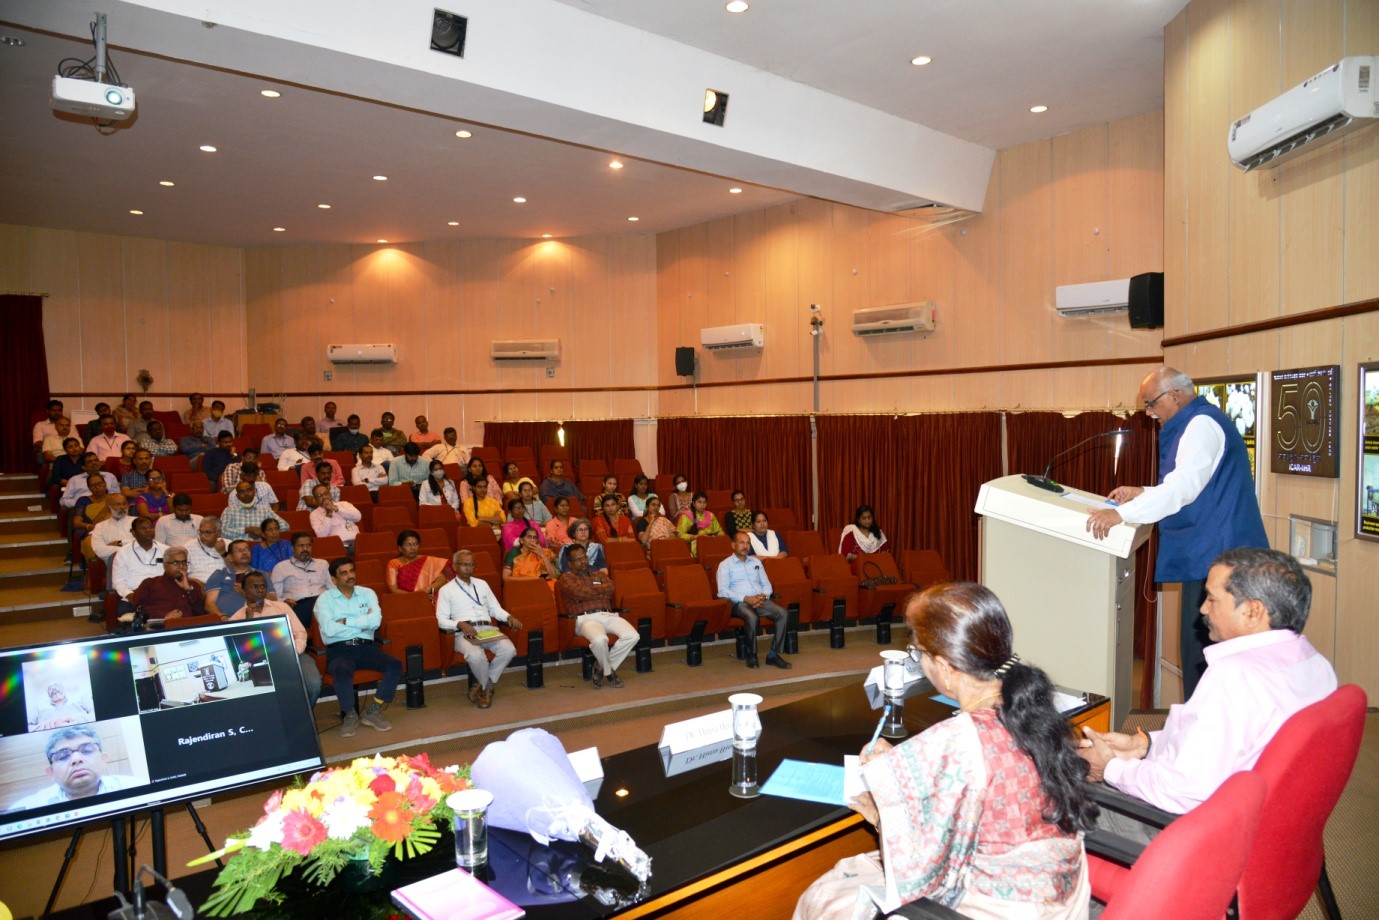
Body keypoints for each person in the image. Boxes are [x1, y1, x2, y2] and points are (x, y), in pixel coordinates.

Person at [795, 582, 1097, 919]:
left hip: (998, 908)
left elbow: (924, 867)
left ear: (946, 667)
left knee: (824, 897)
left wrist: (879, 811)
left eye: (919, 653)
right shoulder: (1032, 709)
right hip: (1061, 891)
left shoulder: (955, 742)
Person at [1078, 548, 1336, 835]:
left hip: (1196, 833)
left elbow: (1179, 792)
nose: (1202, 608)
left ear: (1253, 611)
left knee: (1059, 791)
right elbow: (1228, 742)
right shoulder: (1317, 665)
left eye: (1212, 599)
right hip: (1269, 821)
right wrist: (1145, 746)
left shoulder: (1234, 677)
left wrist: (1109, 767)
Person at [1086, 367, 1269, 699]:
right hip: (1213, 555)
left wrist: (1120, 515)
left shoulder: (1201, 425)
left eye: (1151, 403)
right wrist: (1142, 492)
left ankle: (1204, 740)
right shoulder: (1194, 420)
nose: (1149, 413)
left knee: (1204, 656)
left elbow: (1182, 489)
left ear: (1175, 395)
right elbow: (1189, 485)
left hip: (1222, 561)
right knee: (1200, 654)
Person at [317, 558, 401, 736]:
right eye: (344, 573)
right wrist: (363, 624)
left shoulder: (367, 593)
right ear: (334, 579)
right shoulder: (324, 600)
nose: (350, 576)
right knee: (340, 670)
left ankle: (373, 709)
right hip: (340, 650)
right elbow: (329, 629)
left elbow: (375, 622)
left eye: (351, 571)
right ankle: (350, 714)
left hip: (367, 648)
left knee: (395, 665)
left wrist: (346, 621)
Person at [435, 550, 524, 710]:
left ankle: (483, 683)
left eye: (471, 565)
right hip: (464, 632)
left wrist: (508, 617)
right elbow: (440, 620)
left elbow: (495, 609)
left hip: (488, 628)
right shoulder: (446, 590)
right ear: (455, 566)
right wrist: (460, 624)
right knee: (476, 655)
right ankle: (487, 689)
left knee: (509, 649)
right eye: (464, 565)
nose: (468, 568)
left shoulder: (482, 584)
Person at [231, 571, 322, 705]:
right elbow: (242, 650)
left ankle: (304, 718)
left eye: (263, 586)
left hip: (293, 654)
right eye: (255, 587)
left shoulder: (281, 607)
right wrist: (248, 620)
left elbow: (300, 633)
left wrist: (293, 654)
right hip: (260, 662)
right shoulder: (236, 618)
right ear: (244, 592)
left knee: (313, 683)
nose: (261, 590)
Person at [7, 727, 139, 810]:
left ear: (104, 760)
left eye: (86, 750)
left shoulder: (136, 788)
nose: (76, 759)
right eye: (63, 755)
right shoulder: (27, 808)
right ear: (51, 772)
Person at [717, 532, 792, 669]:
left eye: (747, 543)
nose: (745, 546)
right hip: (739, 603)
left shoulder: (756, 562)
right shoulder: (725, 565)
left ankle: (773, 655)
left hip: (759, 600)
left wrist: (764, 595)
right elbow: (722, 591)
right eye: (741, 542)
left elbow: (766, 584)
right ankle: (752, 654)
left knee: (783, 613)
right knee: (752, 617)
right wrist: (746, 598)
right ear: (733, 545)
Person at [127, 546, 206, 621]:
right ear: (164, 565)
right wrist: (164, 615)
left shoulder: (193, 586)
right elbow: (139, 609)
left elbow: (201, 612)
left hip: (187, 628)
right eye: (175, 563)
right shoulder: (149, 583)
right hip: (159, 627)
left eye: (184, 562)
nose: (181, 566)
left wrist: (189, 590)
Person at [271, 532, 333, 627]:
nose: (305, 549)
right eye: (300, 546)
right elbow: (275, 597)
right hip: (298, 607)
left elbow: (332, 589)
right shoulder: (280, 567)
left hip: (324, 604)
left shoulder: (323, 564)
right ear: (292, 548)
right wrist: (284, 601)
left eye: (308, 545)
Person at [111, 516, 169, 604]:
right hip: (134, 595)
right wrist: (130, 595)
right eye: (143, 528)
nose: (148, 530)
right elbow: (118, 582)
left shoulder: (166, 550)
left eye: (150, 527)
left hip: (162, 594)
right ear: (133, 533)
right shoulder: (123, 553)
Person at [205, 540, 270, 618]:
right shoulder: (219, 574)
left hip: (258, 617)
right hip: (228, 620)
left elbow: (272, 599)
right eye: (239, 550)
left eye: (247, 549)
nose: (244, 553)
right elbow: (209, 604)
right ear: (230, 557)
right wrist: (222, 617)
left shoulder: (261, 575)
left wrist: (248, 592)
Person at [386, 530, 453, 598]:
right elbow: (393, 589)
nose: (413, 548)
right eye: (408, 544)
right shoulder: (393, 563)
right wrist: (417, 596)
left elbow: (442, 580)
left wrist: (426, 591)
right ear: (400, 548)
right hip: (405, 599)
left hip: (428, 596)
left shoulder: (427, 561)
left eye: (415, 544)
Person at [221, 480, 287, 543]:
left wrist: (263, 532)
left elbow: (285, 526)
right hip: (237, 549)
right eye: (242, 492)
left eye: (249, 490)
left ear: (254, 492)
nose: (246, 494)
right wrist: (247, 530)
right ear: (237, 496)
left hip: (261, 549)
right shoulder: (229, 511)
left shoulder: (265, 510)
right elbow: (222, 531)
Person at [309, 484, 362, 549]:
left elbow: (358, 517)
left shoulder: (344, 504)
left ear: (330, 494)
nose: (324, 497)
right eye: (320, 495)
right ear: (315, 500)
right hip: (338, 545)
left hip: (357, 541)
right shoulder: (314, 514)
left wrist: (337, 509)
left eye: (326, 493)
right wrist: (328, 515)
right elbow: (321, 535)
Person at [89, 493, 136, 565]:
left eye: (124, 504)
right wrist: (128, 548)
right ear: (108, 508)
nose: (122, 507)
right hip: (114, 566)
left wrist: (118, 543)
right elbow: (99, 550)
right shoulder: (100, 527)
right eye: (118, 504)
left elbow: (143, 543)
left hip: (137, 562)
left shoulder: (137, 522)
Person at [839, 504, 888, 572]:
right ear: (858, 520)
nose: (867, 520)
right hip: (858, 566)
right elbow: (846, 556)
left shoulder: (878, 533)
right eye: (864, 518)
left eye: (869, 517)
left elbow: (884, 553)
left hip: (877, 565)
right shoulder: (851, 535)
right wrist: (865, 558)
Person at [27, 683, 94, 732]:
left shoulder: (81, 697)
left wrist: (74, 719)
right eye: (50, 688)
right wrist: (45, 727)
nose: (54, 689)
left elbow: (95, 714)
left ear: (64, 690)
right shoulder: (38, 707)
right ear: (48, 694)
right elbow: (27, 727)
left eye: (57, 686)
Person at [675, 491, 723, 556]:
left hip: (712, 543)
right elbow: (679, 534)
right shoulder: (686, 516)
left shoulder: (711, 515)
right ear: (694, 503)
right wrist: (696, 537)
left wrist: (716, 538)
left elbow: (719, 531)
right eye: (699, 502)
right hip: (696, 545)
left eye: (704, 502)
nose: (702, 505)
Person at [186, 516, 227, 583]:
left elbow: (235, 569)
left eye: (207, 532)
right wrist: (196, 582)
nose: (203, 536)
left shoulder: (228, 544)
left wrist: (223, 553)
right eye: (201, 532)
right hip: (200, 586)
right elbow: (183, 574)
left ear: (218, 532)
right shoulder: (188, 547)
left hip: (224, 585)